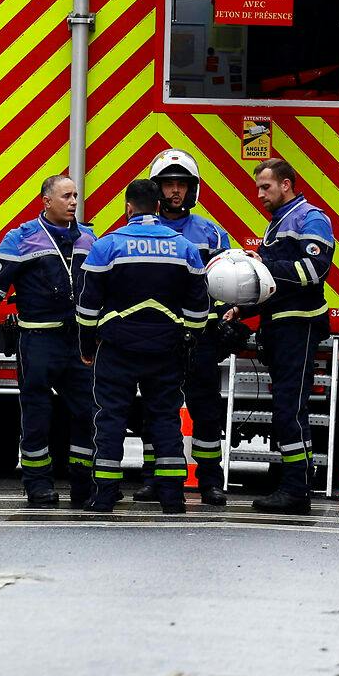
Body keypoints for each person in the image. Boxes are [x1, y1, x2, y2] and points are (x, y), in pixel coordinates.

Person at [0, 174, 96, 508]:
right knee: (36, 415)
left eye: (75, 196)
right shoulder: (22, 239)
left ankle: (83, 485)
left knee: (86, 413)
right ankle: (38, 485)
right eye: (65, 196)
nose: (72, 202)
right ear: (46, 201)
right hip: (38, 340)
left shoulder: (88, 238)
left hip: (77, 343)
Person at [77, 180, 208, 515]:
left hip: (117, 348)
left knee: (111, 419)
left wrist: (87, 345)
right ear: (158, 206)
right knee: (165, 418)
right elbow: (198, 309)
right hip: (166, 349)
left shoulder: (107, 247)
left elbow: (87, 306)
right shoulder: (184, 247)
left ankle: (104, 496)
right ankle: (172, 498)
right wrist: (188, 341)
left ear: (128, 207)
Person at [233, 158, 336, 515]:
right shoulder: (278, 223)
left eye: (266, 187)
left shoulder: (311, 219)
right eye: (258, 187)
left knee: (289, 411)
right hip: (280, 328)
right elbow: (274, 287)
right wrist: (242, 310)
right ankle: (296, 486)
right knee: (289, 410)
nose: (259, 194)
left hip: (300, 327)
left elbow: (313, 270)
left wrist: (261, 264)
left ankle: (295, 490)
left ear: (287, 185)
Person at [135, 149, 236, 506]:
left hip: (201, 337)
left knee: (206, 410)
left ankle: (211, 481)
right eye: (168, 185)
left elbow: (224, 284)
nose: (174, 191)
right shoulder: (145, 231)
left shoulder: (212, 234)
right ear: (156, 189)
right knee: (156, 409)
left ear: (192, 189)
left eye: (181, 184)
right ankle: (153, 478)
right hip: (158, 335)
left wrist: (228, 316)